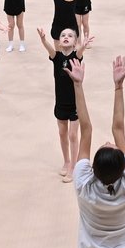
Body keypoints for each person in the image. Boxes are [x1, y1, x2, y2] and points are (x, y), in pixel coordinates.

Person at [66, 56, 125, 248]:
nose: (108, 141)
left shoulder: (83, 183)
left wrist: (78, 85)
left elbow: (86, 129)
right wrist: (118, 86)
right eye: (112, 144)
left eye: (105, 145)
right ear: (124, 166)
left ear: (92, 168)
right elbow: (118, 129)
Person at [37, 27, 92, 183]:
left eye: (70, 36)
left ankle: (74, 166)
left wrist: (84, 45)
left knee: (73, 135)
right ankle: (66, 161)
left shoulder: (76, 56)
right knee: (62, 133)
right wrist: (43, 40)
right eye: (63, 35)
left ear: (75, 42)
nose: (66, 37)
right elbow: (50, 50)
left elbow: (80, 52)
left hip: (75, 104)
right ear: (59, 42)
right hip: (60, 103)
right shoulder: (57, 57)